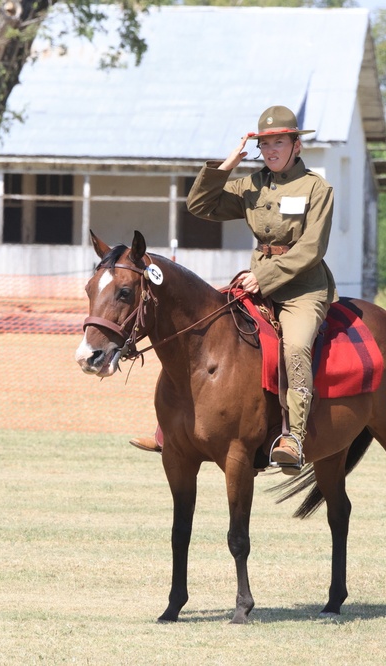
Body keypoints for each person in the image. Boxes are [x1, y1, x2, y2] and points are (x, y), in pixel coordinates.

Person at [130, 105, 338, 473]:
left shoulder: (317, 189)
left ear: (296, 146)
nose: (271, 150)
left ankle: (294, 436)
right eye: (265, 144)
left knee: (297, 346)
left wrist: (268, 278)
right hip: (254, 283)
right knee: (202, 336)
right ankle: (170, 430)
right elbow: (199, 204)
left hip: (302, 288)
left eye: (279, 142)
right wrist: (226, 166)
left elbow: (311, 248)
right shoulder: (250, 184)